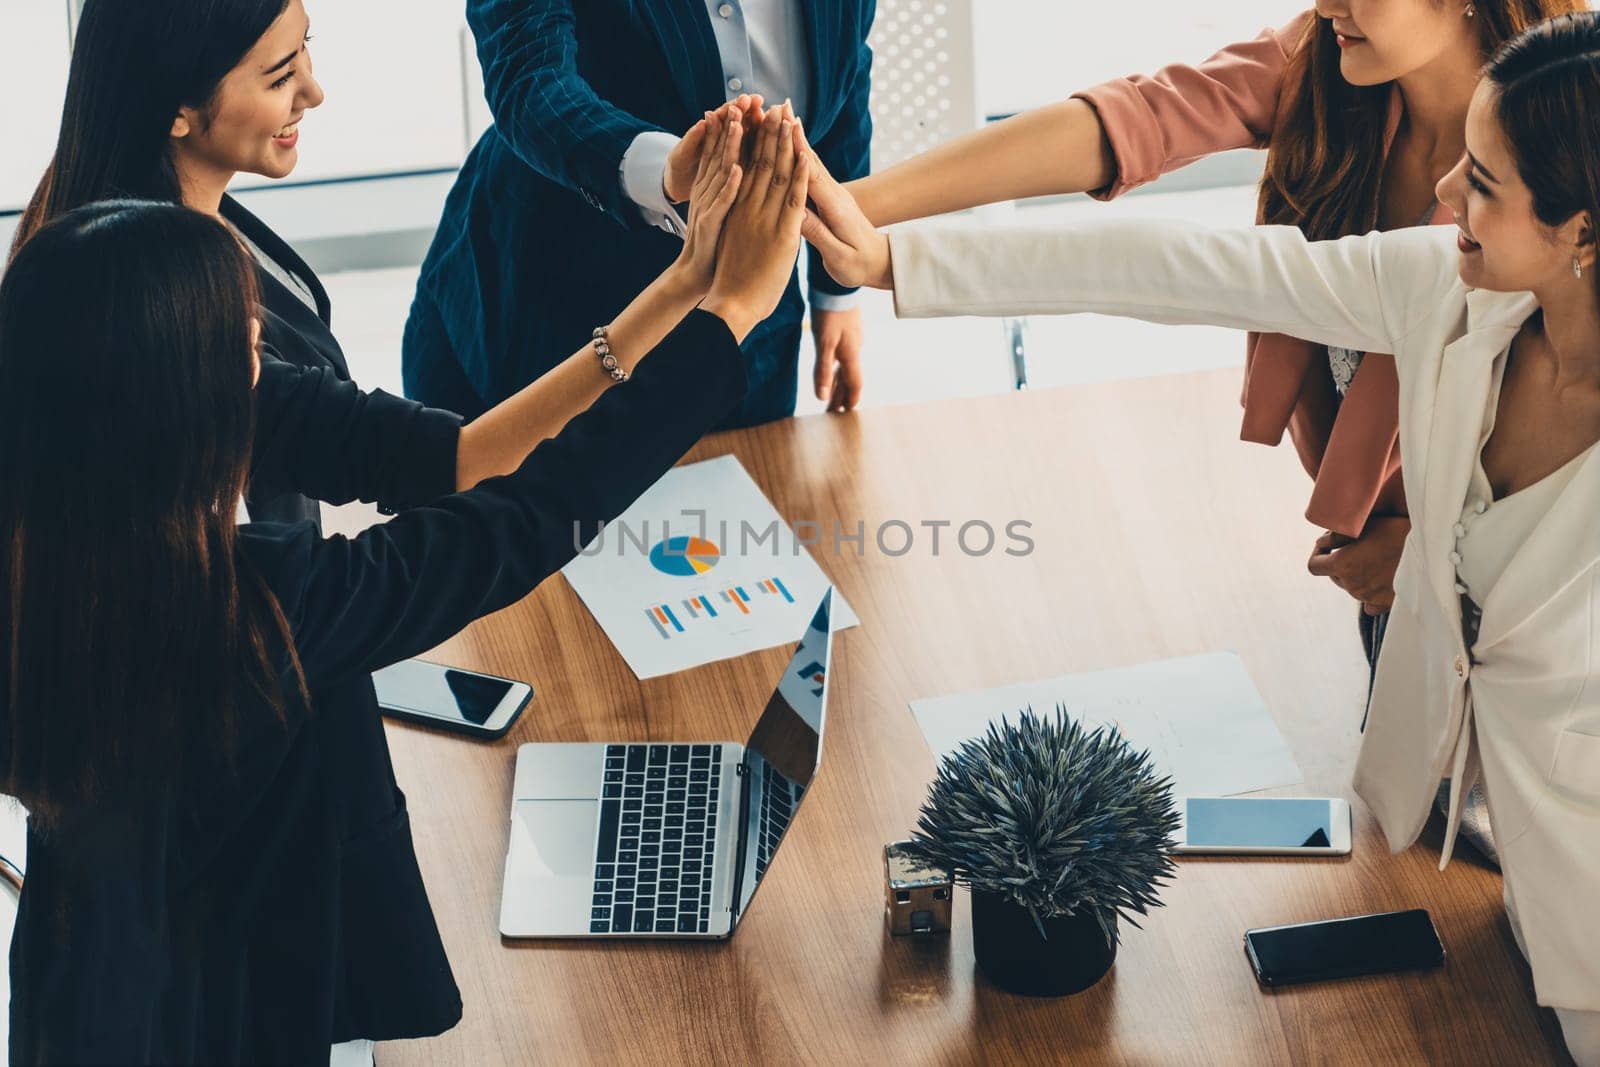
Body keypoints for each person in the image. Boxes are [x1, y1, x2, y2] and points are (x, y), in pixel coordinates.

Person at [800, 11, 1600, 1061]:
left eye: (1482, 184)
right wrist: (893, 257)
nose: (1445, 191)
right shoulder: (1446, 294)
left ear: (1580, 231)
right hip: (1525, 882)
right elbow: (1185, 265)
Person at [0, 103, 809, 1063]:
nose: (267, 356)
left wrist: (686, 285)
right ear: (193, 412)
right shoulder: (249, 609)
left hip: (77, 1002)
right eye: (244, 345)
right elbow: (523, 521)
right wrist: (731, 319)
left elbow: (465, 465)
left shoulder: (54, 555)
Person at [848, 0, 1578, 691]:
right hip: (1381, 582)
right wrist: (854, 209)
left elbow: (1566, 459)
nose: (1325, 5)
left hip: (1508, 610)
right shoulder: (1330, 65)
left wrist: (1435, 561)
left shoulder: (1555, 164)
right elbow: (1142, 132)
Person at [12, 0, 742, 529]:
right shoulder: (171, 328)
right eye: (279, 76)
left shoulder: (186, 216)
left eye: (307, 52)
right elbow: (451, 459)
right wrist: (691, 284)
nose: (315, 91)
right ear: (176, 107)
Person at [401, 0, 877, 425]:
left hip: (750, 332)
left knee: (727, 515)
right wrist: (662, 172)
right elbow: (530, 79)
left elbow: (847, 65)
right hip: (541, 304)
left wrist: (836, 291)